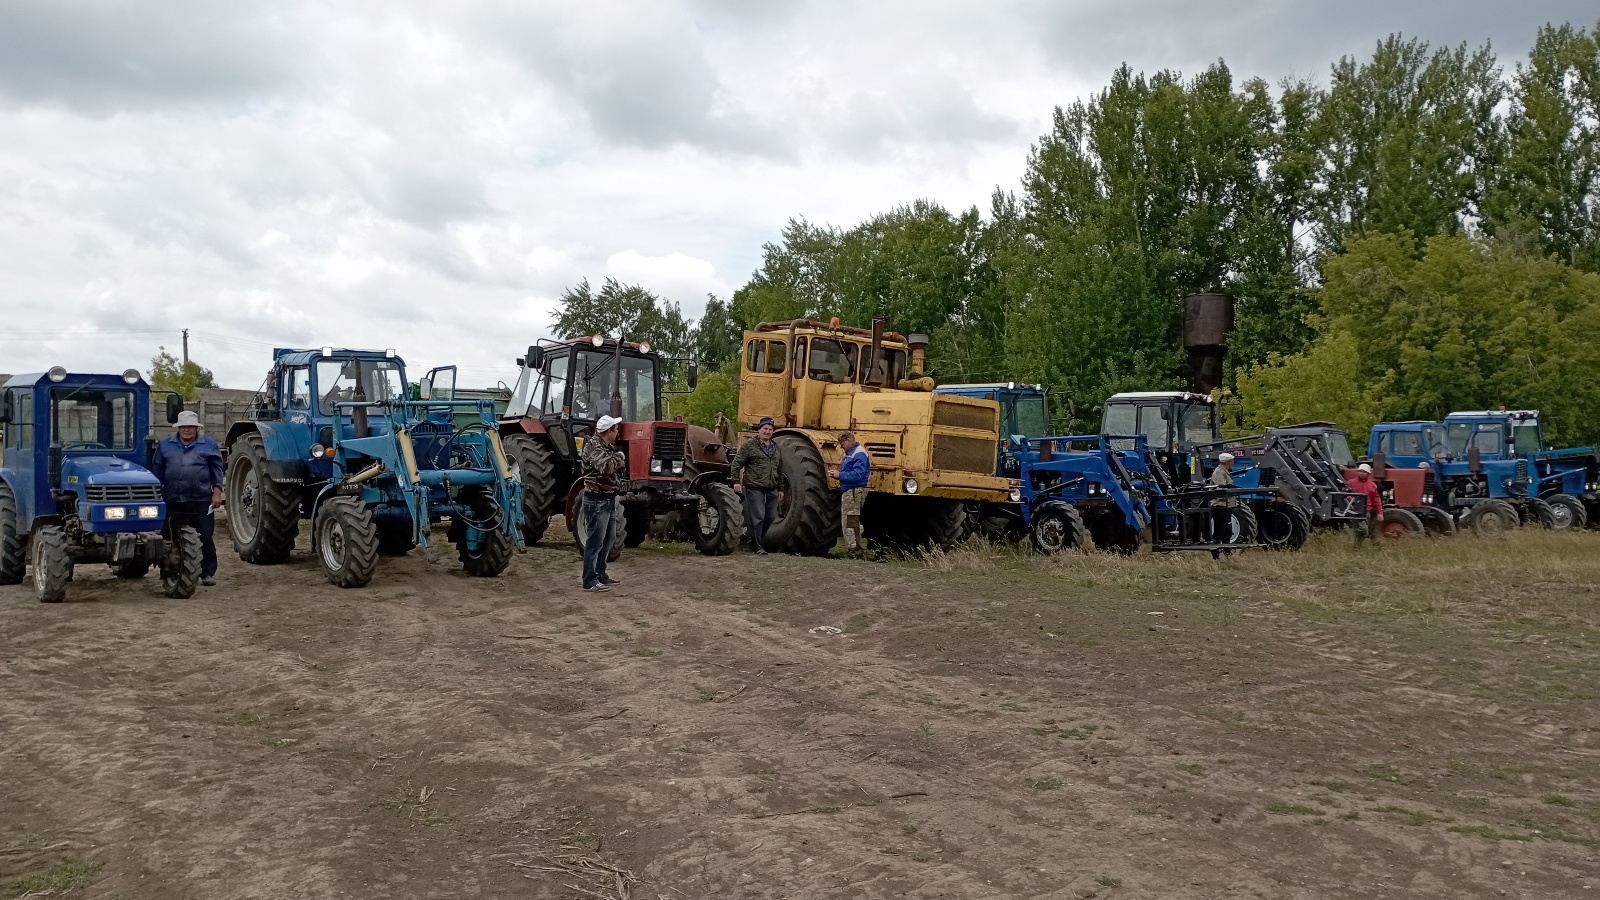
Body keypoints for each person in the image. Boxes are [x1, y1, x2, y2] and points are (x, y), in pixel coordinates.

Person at [149, 410, 225, 586]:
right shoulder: (165, 445)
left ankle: (207, 573)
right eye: (183, 426)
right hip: (172, 499)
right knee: (169, 537)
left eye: (191, 426)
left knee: (205, 536)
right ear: (178, 428)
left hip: (201, 499)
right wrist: (155, 494)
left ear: (196, 428)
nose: (187, 430)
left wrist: (217, 492)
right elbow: (157, 469)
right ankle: (170, 570)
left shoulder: (208, 444)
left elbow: (217, 469)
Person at [579, 415, 626, 592]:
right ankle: (589, 580)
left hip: (607, 498)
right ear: (608, 431)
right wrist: (620, 457)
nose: (618, 432)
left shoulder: (606, 447)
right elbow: (607, 467)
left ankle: (600, 574)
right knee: (595, 541)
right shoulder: (594, 447)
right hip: (596, 499)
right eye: (616, 429)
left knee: (608, 538)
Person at [732, 417, 787, 554]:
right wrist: (736, 481)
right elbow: (736, 464)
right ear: (759, 430)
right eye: (765, 429)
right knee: (759, 516)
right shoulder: (750, 445)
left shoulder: (776, 448)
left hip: (772, 488)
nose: (767, 432)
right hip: (755, 487)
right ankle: (758, 547)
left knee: (770, 517)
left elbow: (780, 470)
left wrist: (781, 488)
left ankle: (755, 540)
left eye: (770, 429)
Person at [829, 431, 871, 558]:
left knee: (850, 521)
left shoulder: (858, 453)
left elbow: (858, 475)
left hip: (854, 491)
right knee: (851, 520)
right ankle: (855, 549)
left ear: (848, 440)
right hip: (851, 490)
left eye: (842, 443)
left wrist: (840, 475)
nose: (841, 446)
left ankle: (854, 552)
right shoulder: (852, 453)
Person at [1208, 451, 1239, 558]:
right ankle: (1215, 552)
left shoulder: (1225, 472)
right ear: (1229, 462)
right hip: (1220, 505)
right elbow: (1221, 488)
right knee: (1220, 530)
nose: (1233, 463)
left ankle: (1227, 551)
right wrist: (1232, 489)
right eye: (1232, 461)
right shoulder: (1219, 473)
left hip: (1227, 505)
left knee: (1227, 531)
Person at [1346, 462, 1384, 543]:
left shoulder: (1372, 485)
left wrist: (1380, 512)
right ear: (1358, 472)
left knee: (1361, 531)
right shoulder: (1350, 483)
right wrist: (1351, 499)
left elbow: (1376, 500)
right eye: (1360, 471)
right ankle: (1357, 544)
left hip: (1366, 511)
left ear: (1368, 474)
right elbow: (1344, 495)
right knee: (1363, 530)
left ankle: (1357, 546)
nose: (1362, 473)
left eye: (1364, 472)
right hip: (1354, 510)